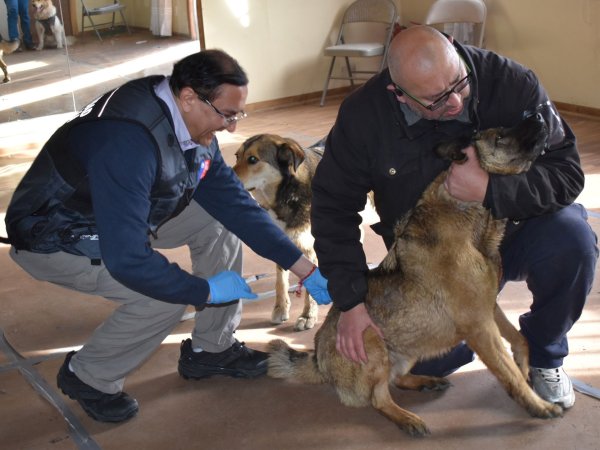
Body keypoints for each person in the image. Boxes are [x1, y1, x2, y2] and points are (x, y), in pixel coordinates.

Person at [2, 49, 331, 423]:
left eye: (237, 115)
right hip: (58, 230)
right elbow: (128, 259)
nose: (231, 127)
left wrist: (304, 267)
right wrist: (203, 291)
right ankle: (89, 375)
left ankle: (212, 349)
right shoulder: (128, 141)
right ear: (189, 97)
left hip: (125, 208)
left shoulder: (188, 121)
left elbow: (235, 205)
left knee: (219, 219)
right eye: (226, 114)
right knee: (163, 296)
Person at [311, 26, 598, 409]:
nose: (456, 102)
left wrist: (490, 191)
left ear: (453, 49)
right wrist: (351, 302)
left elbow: (567, 173)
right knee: (437, 358)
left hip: (515, 231)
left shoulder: (510, 82)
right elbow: (332, 207)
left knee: (572, 242)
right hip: (436, 265)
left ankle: (544, 355)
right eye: (436, 100)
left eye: (459, 83)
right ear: (399, 94)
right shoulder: (363, 116)